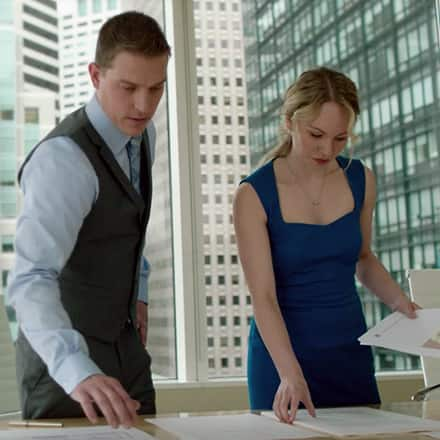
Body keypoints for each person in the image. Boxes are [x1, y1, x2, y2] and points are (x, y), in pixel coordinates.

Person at [7, 11, 170, 428]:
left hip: (127, 350)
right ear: (96, 75)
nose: (144, 105)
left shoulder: (142, 134)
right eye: (128, 87)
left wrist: (139, 288)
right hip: (66, 365)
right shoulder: (63, 161)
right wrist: (77, 368)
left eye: (156, 89)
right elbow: (29, 279)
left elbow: (128, 224)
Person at [233, 67, 419, 424]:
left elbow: (363, 258)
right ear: (289, 121)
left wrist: (400, 302)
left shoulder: (360, 177)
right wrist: (290, 373)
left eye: (340, 138)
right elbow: (263, 297)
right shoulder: (253, 194)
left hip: (348, 352)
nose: (327, 149)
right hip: (282, 362)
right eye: (315, 134)